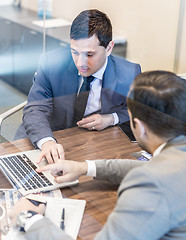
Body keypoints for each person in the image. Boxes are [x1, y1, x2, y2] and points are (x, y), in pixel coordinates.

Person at [10, 71, 186, 239]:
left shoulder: (152, 185)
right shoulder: (176, 159)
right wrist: (83, 167)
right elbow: (149, 168)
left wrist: (29, 220)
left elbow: (151, 176)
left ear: (141, 127)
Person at [15, 9, 141, 163]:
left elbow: (138, 110)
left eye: (89, 54)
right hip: (47, 137)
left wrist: (111, 118)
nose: (80, 63)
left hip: (92, 145)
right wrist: (47, 141)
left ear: (109, 48)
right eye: (74, 52)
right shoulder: (51, 63)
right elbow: (35, 108)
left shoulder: (128, 73)